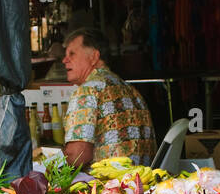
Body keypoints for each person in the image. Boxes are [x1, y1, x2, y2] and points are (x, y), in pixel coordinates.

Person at [60, 27, 156, 170]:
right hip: (142, 181)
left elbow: (77, 155)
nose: (64, 60)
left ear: (94, 57)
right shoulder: (129, 89)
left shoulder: (88, 90)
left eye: (72, 54)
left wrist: (45, 166)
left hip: (109, 186)